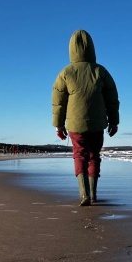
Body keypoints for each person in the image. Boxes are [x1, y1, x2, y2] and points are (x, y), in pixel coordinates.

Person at [51, 30, 120, 206]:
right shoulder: (100, 71)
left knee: (79, 156)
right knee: (94, 156)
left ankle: (84, 195)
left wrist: (58, 126)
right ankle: (93, 194)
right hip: (98, 123)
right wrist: (114, 122)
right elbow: (112, 99)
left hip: (75, 124)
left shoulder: (65, 73)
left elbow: (58, 103)